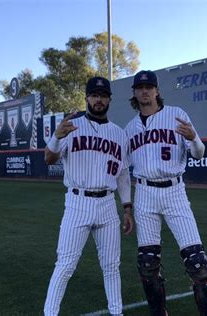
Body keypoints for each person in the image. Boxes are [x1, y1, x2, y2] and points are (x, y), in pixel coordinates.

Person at [124, 70, 207, 316]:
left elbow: (199, 153)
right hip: (144, 193)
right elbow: (122, 168)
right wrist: (126, 206)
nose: (145, 91)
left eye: (149, 86)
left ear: (157, 91)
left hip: (174, 191)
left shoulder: (176, 115)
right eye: (140, 87)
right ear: (134, 92)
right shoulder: (129, 129)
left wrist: (194, 138)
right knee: (147, 263)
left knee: (198, 263)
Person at [43, 76, 134, 316]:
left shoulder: (119, 134)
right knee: (65, 266)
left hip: (107, 204)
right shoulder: (71, 127)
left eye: (103, 95)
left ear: (109, 100)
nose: (99, 99)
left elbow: (123, 175)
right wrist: (56, 136)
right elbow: (49, 159)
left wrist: (126, 208)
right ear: (86, 98)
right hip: (77, 202)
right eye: (94, 95)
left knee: (111, 266)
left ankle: (117, 313)